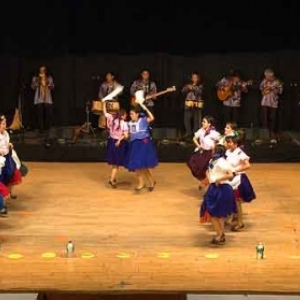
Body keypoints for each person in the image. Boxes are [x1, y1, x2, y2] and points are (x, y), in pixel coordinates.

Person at [199, 144, 236, 245]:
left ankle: (219, 235)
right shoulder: (212, 160)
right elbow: (209, 171)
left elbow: (230, 174)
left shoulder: (222, 162)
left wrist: (219, 179)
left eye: (213, 149)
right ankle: (220, 234)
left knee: (216, 214)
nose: (211, 150)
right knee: (214, 214)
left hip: (222, 189)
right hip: (213, 188)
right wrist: (208, 179)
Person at [225, 134, 256, 231]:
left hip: (238, 180)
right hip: (229, 178)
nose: (228, 144)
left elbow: (248, 166)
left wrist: (236, 170)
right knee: (230, 200)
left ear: (235, 144)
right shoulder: (227, 151)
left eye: (229, 142)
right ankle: (233, 216)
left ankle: (240, 222)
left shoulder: (240, 153)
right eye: (227, 142)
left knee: (237, 201)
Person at [125, 102, 158, 192]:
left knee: (144, 166)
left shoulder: (143, 120)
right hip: (134, 145)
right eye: (130, 114)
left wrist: (146, 109)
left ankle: (151, 181)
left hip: (144, 144)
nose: (131, 115)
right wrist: (122, 137)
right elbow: (128, 135)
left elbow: (152, 118)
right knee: (136, 165)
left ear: (137, 114)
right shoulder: (129, 123)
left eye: (132, 114)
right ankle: (141, 183)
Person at [187, 116, 220, 190]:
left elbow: (219, 141)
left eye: (204, 122)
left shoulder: (214, 133)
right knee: (192, 162)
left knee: (206, 168)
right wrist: (199, 146)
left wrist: (214, 149)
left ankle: (206, 182)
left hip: (210, 153)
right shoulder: (201, 130)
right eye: (202, 121)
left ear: (209, 124)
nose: (202, 123)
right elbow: (194, 138)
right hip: (203, 151)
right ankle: (204, 181)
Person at [102, 100, 128, 188]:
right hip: (117, 143)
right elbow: (126, 135)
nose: (126, 116)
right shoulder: (124, 124)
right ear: (122, 115)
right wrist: (120, 140)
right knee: (116, 164)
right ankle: (111, 180)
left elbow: (105, 112)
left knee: (114, 163)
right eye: (125, 114)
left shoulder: (111, 118)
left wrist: (104, 103)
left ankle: (112, 177)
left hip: (111, 142)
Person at [0, 115, 22, 200]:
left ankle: (9, 192)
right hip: (0, 160)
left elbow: (6, 143)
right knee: (2, 178)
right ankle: (3, 200)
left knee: (13, 173)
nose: (5, 126)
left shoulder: (5, 133)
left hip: (7, 157)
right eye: (3, 124)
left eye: (5, 123)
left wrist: (9, 145)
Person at [259, 68, 283, 143]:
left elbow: (280, 91)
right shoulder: (264, 81)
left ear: (271, 75)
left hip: (273, 103)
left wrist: (273, 89)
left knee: (273, 118)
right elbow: (260, 88)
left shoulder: (277, 81)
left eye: (267, 76)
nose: (266, 77)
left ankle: (272, 133)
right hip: (265, 102)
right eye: (265, 76)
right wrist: (264, 88)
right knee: (265, 118)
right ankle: (265, 134)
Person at [31, 66, 54, 132]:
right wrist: (39, 80)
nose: (42, 71)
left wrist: (45, 82)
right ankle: (40, 128)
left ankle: (47, 128)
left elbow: (52, 86)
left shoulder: (49, 78)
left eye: (43, 70)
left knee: (48, 114)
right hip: (39, 99)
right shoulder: (35, 78)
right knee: (39, 114)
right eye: (41, 70)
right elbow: (33, 87)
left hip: (47, 98)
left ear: (45, 71)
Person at [182, 72, 204, 140]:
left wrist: (193, 88)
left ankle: (196, 135)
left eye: (195, 77)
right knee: (187, 119)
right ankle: (188, 133)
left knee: (197, 120)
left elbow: (200, 92)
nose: (194, 79)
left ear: (198, 78)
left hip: (197, 105)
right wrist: (187, 88)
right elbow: (183, 92)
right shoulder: (188, 85)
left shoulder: (201, 85)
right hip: (188, 104)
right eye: (193, 77)